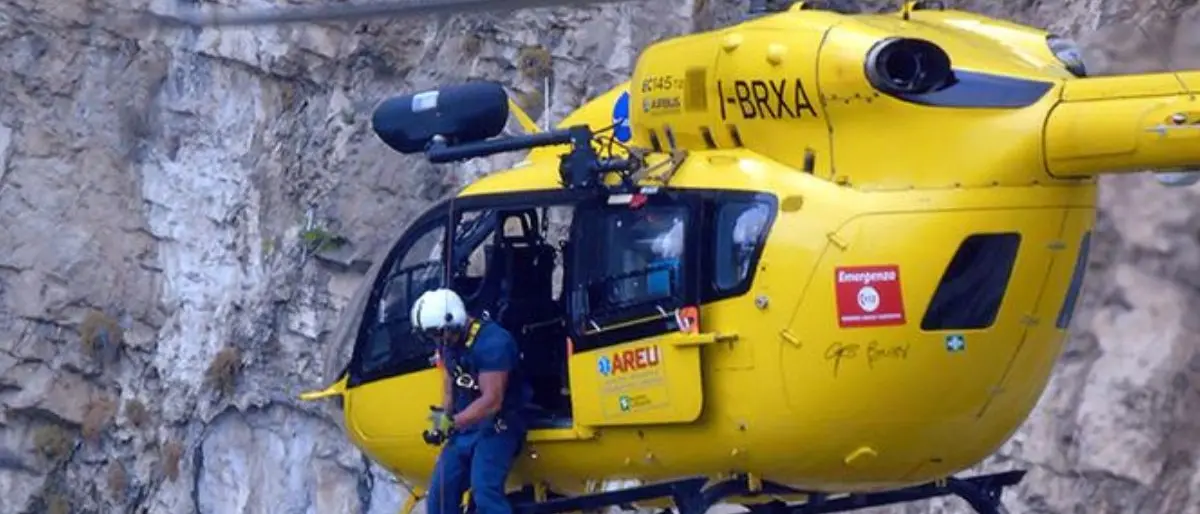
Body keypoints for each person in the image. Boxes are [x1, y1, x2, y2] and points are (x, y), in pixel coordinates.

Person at [411, 288, 532, 514]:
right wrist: (441, 420)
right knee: (439, 498)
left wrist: (453, 422)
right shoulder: (448, 343)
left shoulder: (494, 342)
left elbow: (492, 401)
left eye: (439, 334)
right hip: (465, 427)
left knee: (485, 493)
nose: (438, 341)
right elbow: (449, 385)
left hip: (498, 425)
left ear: (452, 322)